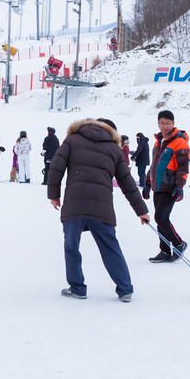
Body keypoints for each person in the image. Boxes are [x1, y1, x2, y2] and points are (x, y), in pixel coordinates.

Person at [47, 118, 150, 301]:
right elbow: (127, 182)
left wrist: (54, 195)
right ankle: (125, 289)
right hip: (101, 206)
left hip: (75, 203)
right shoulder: (114, 149)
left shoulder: (72, 140)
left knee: (71, 245)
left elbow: (56, 167)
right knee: (110, 246)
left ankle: (77, 288)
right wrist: (141, 210)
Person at [143, 110, 190, 262]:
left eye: (168, 123)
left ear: (173, 124)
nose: (165, 126)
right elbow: (154, 165)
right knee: (160, 219)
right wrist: (147, 182)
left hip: (170, 186)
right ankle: (164, 251)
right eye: (162, 123)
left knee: (161, 217)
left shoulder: (180, 142)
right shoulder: (158, 142)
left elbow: (183, 167)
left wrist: (180, 186)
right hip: (158, 186)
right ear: (158, 123)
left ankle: (179, 243)